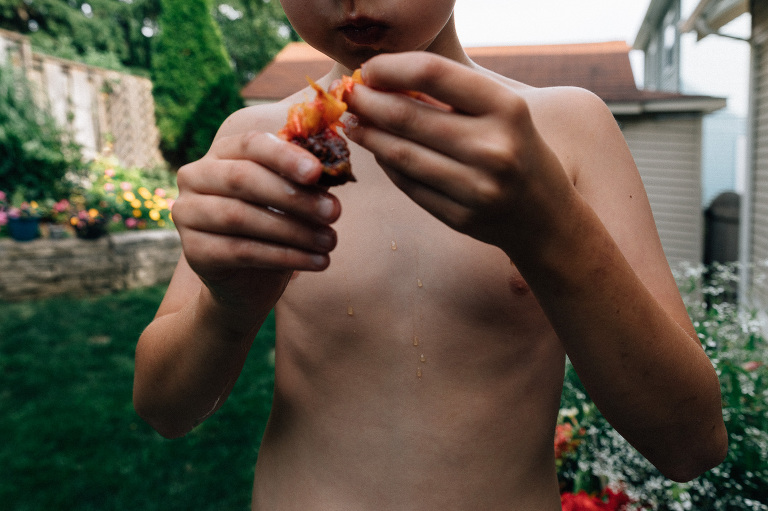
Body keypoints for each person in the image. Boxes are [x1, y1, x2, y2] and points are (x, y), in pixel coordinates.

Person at [133, 1, 728, 509]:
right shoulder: (258, 143)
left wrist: (550, 230)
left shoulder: (565, 130)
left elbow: (690, 443)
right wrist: (227, 310)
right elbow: (164, 409)